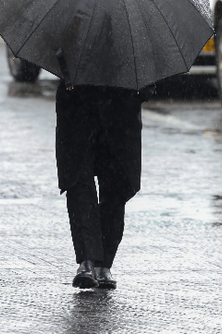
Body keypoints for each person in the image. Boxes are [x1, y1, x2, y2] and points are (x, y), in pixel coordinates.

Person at [55, 76, 155, 289]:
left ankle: (103, 263)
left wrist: (142, 89)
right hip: (77, 102)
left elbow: (148, 64)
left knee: (116, 185)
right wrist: (68, 74)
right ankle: (87, 260)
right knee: (79, 180)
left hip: (121, 106)